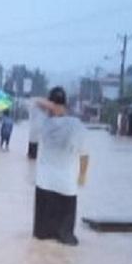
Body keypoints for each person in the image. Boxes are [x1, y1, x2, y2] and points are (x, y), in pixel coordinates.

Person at [33, 87, 89, 246]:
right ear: (66, 103)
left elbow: (34, 102)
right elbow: (84, 154)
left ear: (50, 103)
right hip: (67, 188)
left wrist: (50, 105)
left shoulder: (42, 122)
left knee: (41, 240)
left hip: (44, 187)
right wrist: (82, 175)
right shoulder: (76, 124)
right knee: (66, 242)